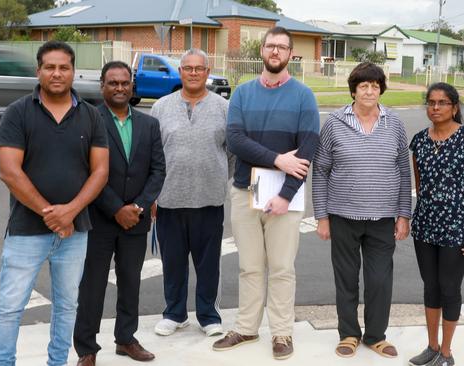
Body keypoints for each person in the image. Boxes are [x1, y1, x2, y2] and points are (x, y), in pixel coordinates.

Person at [0, 40, 109, 366]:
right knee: (11, 306)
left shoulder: (90, 115)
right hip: (26, 230)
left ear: (73, 71)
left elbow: (100, 172)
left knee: (67, 305)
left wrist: (70, 212)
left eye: (64, 67)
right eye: (50, 67)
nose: (57, 73)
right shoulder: (18, 112)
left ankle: (57, 362)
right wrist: (52, 214)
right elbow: (9, 172)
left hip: (76, 231)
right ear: (39, 71)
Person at [212, 26, 320, 360]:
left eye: (282, 47)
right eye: (270, 46)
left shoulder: (303, 96)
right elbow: (236, 140)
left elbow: (308, 147)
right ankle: (246, 327)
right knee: (250, 267)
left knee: (282, 268)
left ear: (290, 54)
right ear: (262, 50)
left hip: (284, 198)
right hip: (245, 191)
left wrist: (286, 194)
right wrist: (277, 159)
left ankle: (282, 333)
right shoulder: (243, 94)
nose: (275, 52)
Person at [312, 62, 412, 359]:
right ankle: (349, 334)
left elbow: (403, 171)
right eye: (363, 86)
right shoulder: (333, 123)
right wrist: (322, 216)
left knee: (380, 280)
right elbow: (320, 171)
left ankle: (376, 335)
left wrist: (404, 215)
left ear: (381, 89)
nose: (369, 91)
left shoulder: (394, 123)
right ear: (353, 90)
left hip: (383, 218)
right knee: (346, 278)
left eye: (375, 86)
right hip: (342, 216)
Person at [73, 61, 166, 366]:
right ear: (102, 86)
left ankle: (126, 339)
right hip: (99, 219)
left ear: (132, 86)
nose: (120, 88)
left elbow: (158, 170)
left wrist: (138, 207)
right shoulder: (87, 119)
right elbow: (85, 171)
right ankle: (86, 349)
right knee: (93, 286)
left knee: (130, 282)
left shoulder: (149, 124)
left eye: (125, 83)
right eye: (113, 83)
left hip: (135, 221)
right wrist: (115, 209)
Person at [150, 48, 231, 338]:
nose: (193, 73)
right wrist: (152, 196)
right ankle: (175, 314)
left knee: (208, 265)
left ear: (208, 73)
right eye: (188, 68)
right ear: (180, 72)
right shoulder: (161, 107)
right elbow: (152, 154)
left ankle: (208, 316)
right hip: (169, 201)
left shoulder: (223, 108)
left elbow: (231, 153)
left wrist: (220, 180)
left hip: (209, 200)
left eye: (199, 68)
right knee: (172, 263)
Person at [408, 82, 464, 366]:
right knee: (430, 286)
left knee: (449, 287)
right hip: (426, 225)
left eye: (442, 103)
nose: (436, 108)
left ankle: (446, 352)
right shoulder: (418, 141)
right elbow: (421, 186)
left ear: (454, 107)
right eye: (431, 102)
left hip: (458, 226)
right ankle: (431, 346)